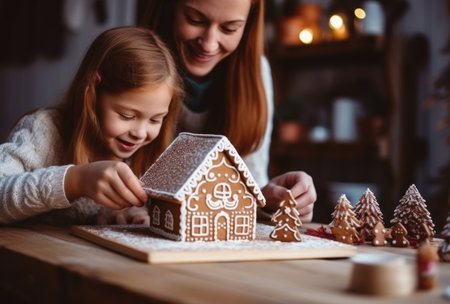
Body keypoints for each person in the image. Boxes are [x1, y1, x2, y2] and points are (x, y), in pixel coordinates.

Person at [140, 0, 316, 222]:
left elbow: (250, 186)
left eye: (229, 28)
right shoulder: (134, 63)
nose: (209, 44)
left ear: (248, 26)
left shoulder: (256, 75)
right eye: (195, 20)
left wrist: (269, 199)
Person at [0, 26, 183, 225]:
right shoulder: (44, 131)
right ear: (91, 97)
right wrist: (75, 181)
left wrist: (126, 218)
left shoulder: (148, 157)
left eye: (155, 119)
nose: (140, 133)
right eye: (126, 115)